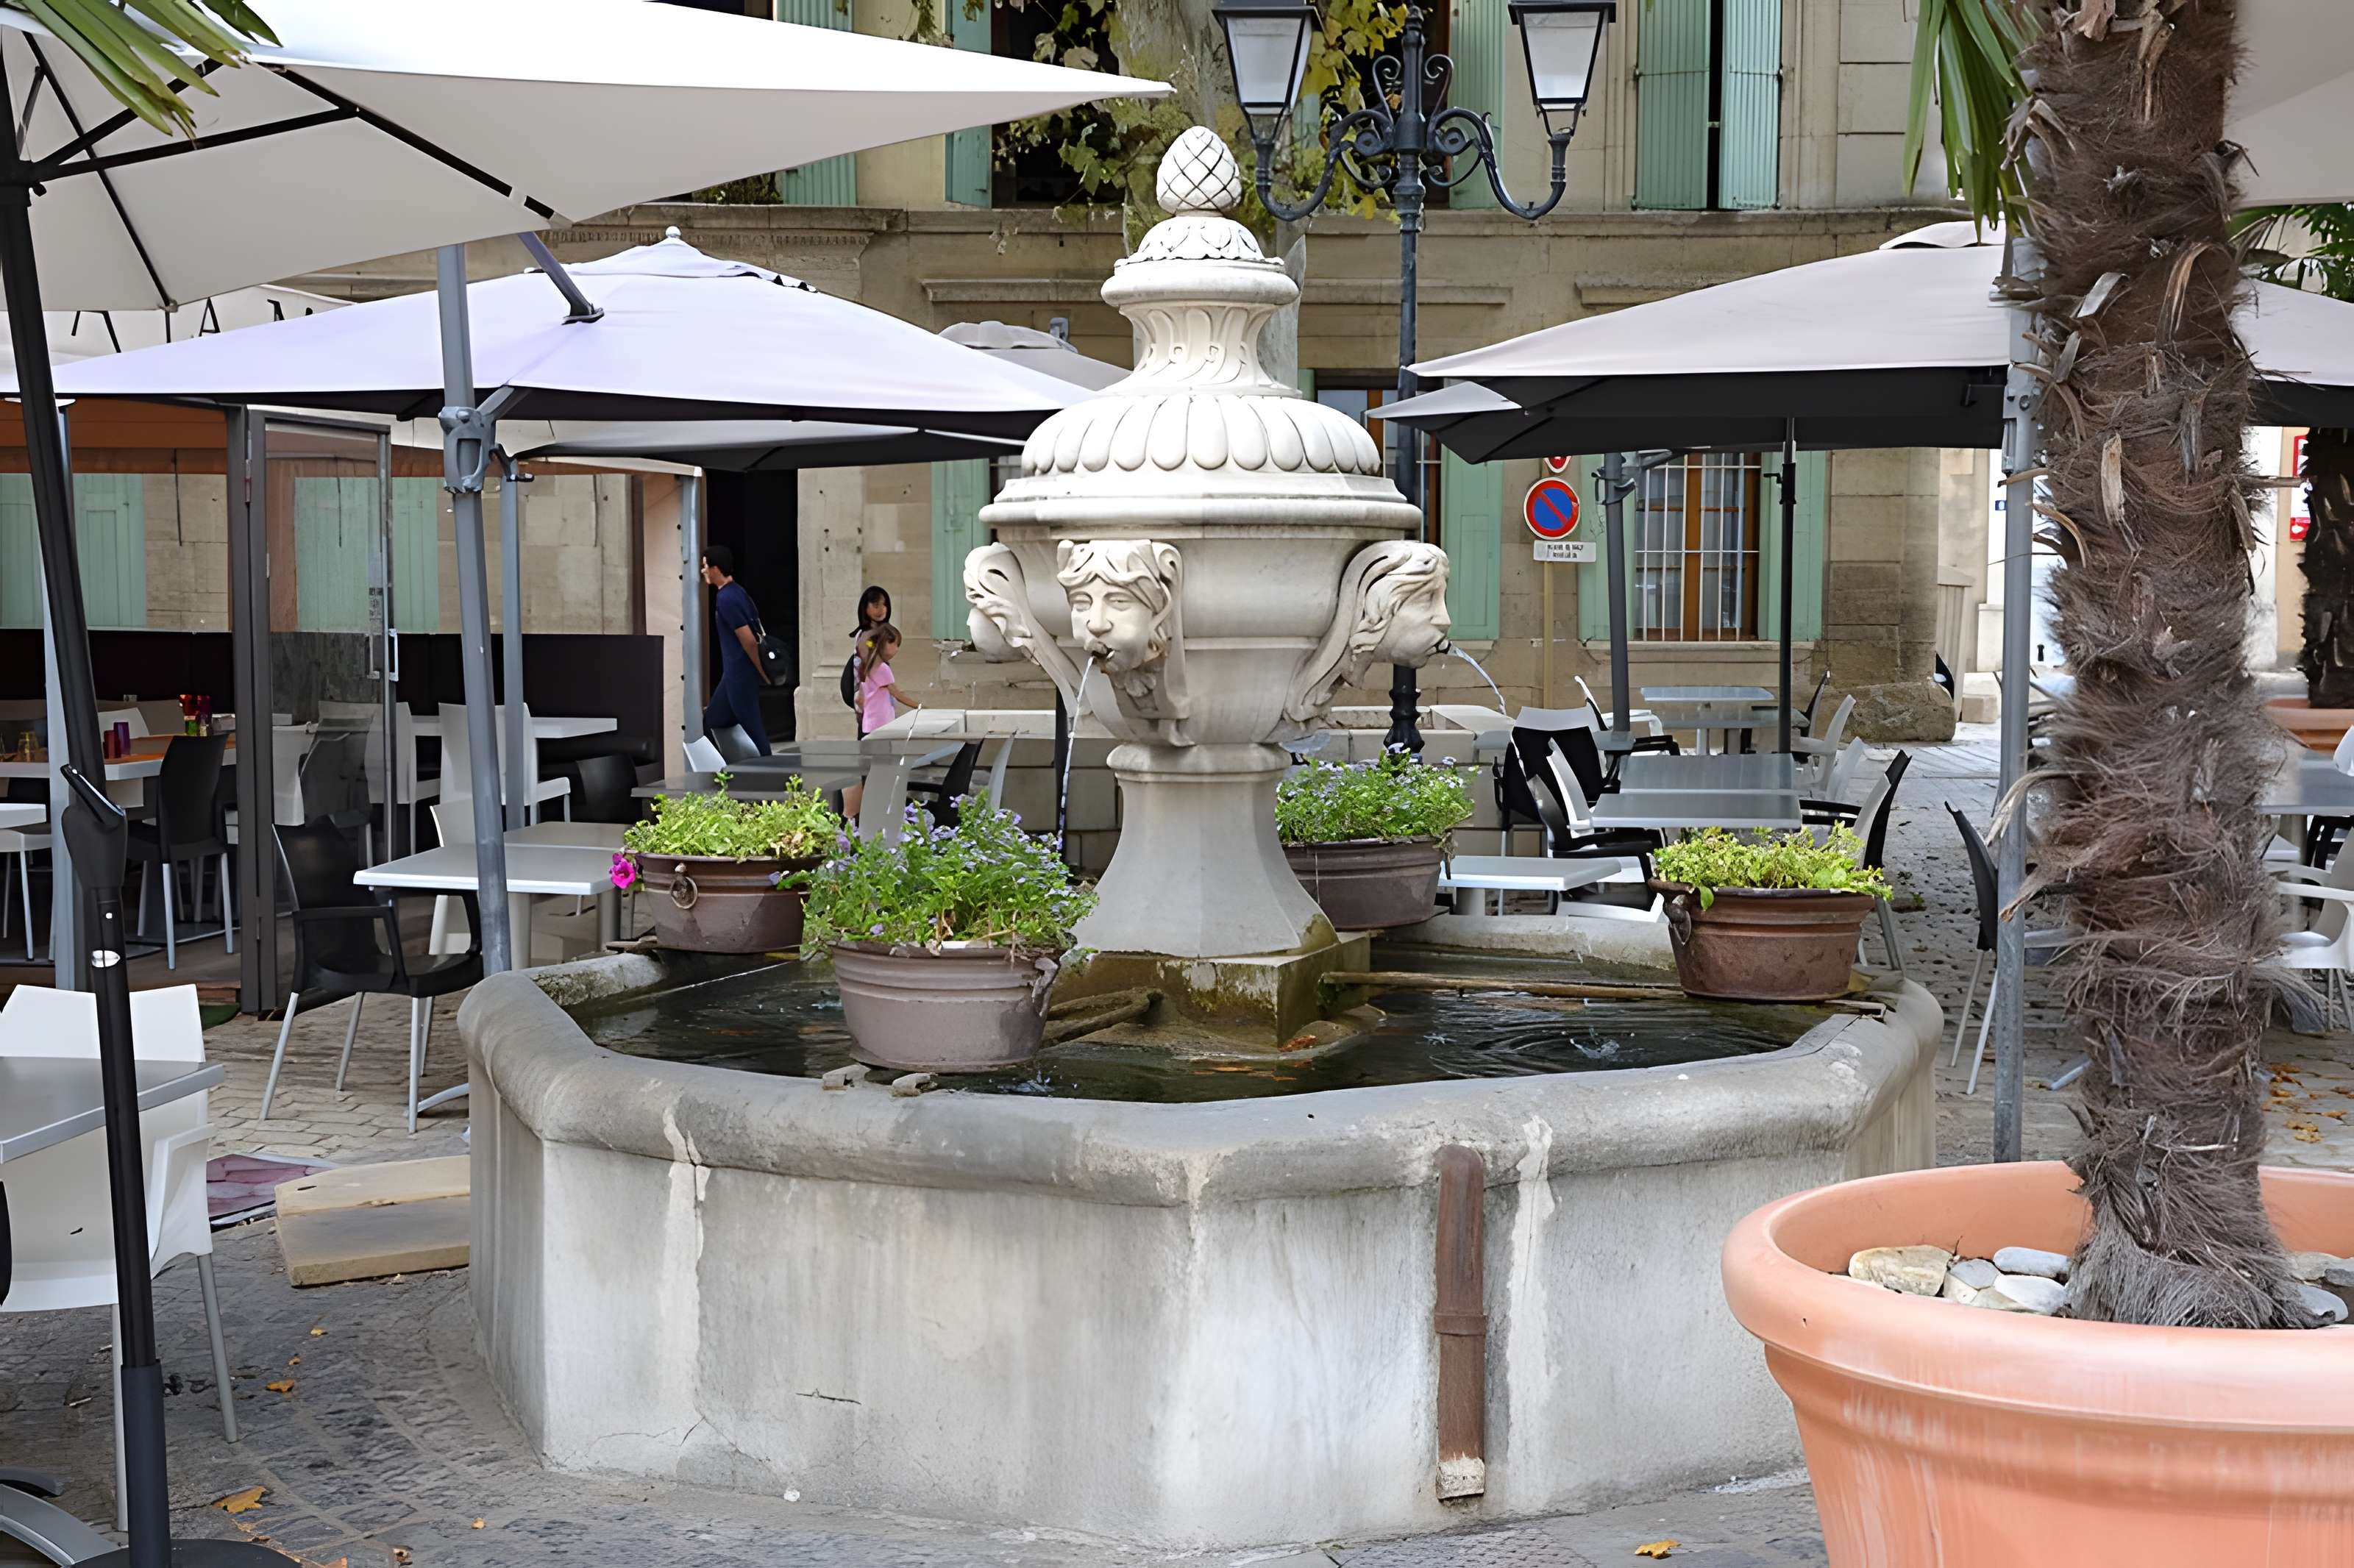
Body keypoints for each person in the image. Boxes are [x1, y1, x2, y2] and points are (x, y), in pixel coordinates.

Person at [700, 545, 772, 756]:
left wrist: (762, 671)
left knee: (754, 729)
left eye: (705, 566)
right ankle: (726, 775)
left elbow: (748, 640)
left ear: (715, 568)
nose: (703, 571)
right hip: (733, 675)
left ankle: (775, 776)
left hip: (739, 675)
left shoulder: (727, 598)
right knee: (713, 721)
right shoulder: (738, 592)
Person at [842, 622, 917, 819]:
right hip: (881, 726)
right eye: (895, 644)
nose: (897, 649)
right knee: (882, 771)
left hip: (870, 725)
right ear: (885, 644)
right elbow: (897, 693)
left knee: (872, 771)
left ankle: (867, 813)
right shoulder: (882, 668)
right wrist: (918, 706)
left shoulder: (868, 667)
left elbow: (861, 698)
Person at [843, 585, 892, 724]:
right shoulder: (865, 635)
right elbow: (865, 661)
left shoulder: (881, 632)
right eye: (876, 605)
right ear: (866, 608)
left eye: (884, 605)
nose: (881, 610)